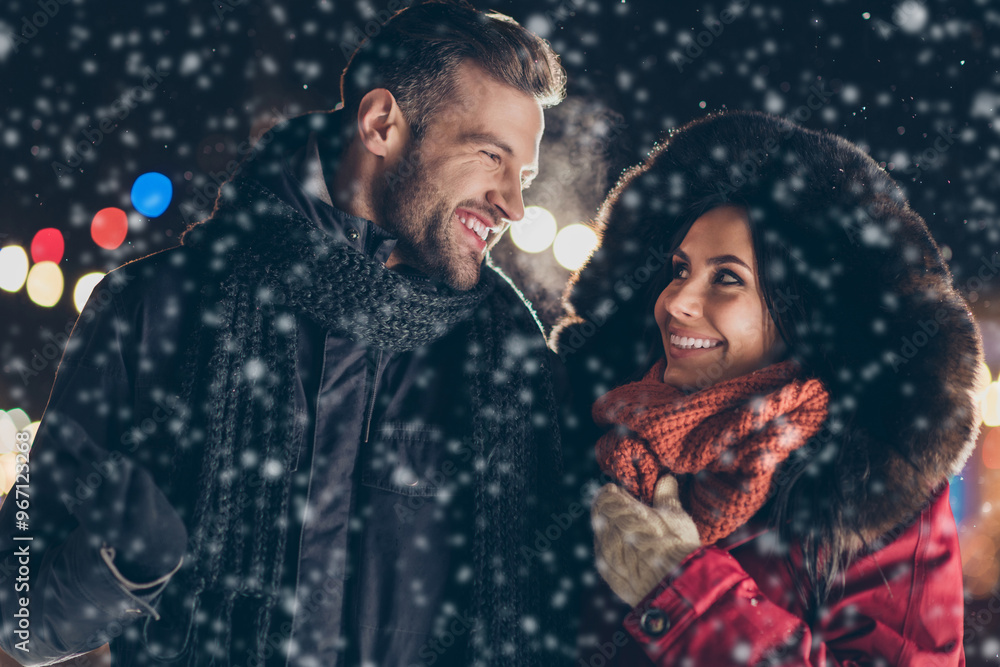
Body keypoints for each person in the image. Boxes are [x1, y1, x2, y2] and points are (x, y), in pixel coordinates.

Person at [0, 2, 569, 665]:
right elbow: (15, 618)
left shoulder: (510, 361)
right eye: (489, 155)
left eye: (522, 176)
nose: (514, 203)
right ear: (382, 124)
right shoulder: (156, 308)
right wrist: (119, 567)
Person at [552, 110, 982, 665]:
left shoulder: (873, 492)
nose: (676, 301)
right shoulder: (600, 431)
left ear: (800, 316)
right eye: (679, 269)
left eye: (726, 278)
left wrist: (685, 594)